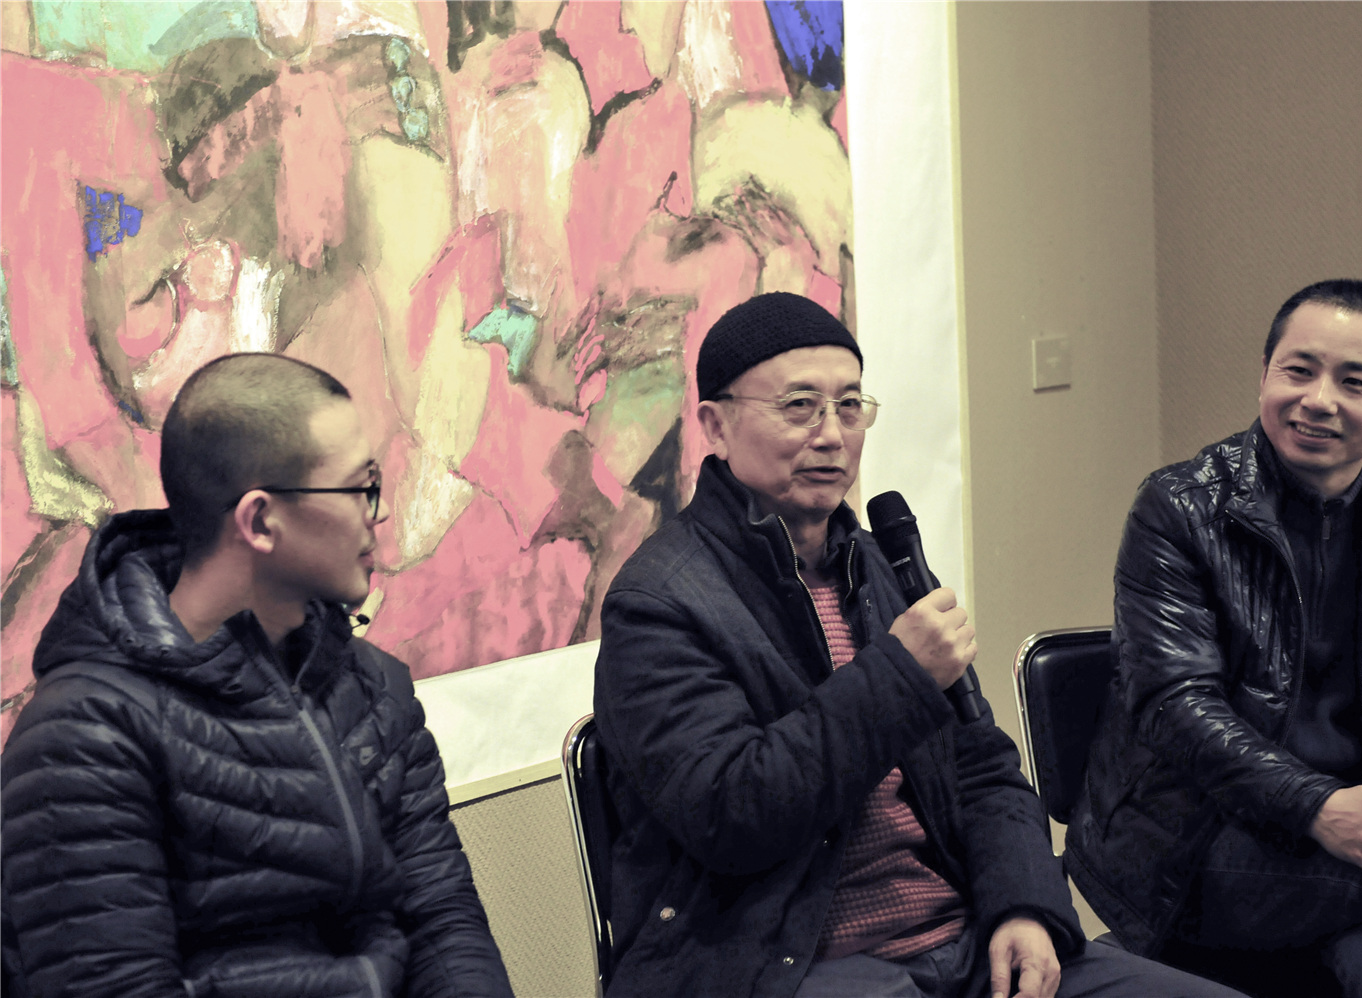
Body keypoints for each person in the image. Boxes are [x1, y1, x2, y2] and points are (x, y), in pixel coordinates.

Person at [592, 292, 1243, 998]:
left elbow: (983, 766)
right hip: (783, 966)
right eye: (800, 406)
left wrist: (1024, 906)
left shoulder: (878, 565)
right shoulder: (658, 602)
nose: (832, 435)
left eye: (850, 406)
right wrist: (899, 674)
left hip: (964, 942)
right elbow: (733, 815)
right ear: (715, 425)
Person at [1, 354, 513, 998]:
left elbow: (441, 918)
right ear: (261, 521)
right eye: (360, 488)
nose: (379, 512)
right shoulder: (84, 734)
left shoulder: (375, 688)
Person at [1067, 279, 1362, 996]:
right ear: (1264, 375)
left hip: (1352, 830)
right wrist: (1319, 808)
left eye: (1354, 382)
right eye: (1298, 370)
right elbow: (1174, 705)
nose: (1318, 399)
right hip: (1192, 842)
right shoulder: (1179, 508)